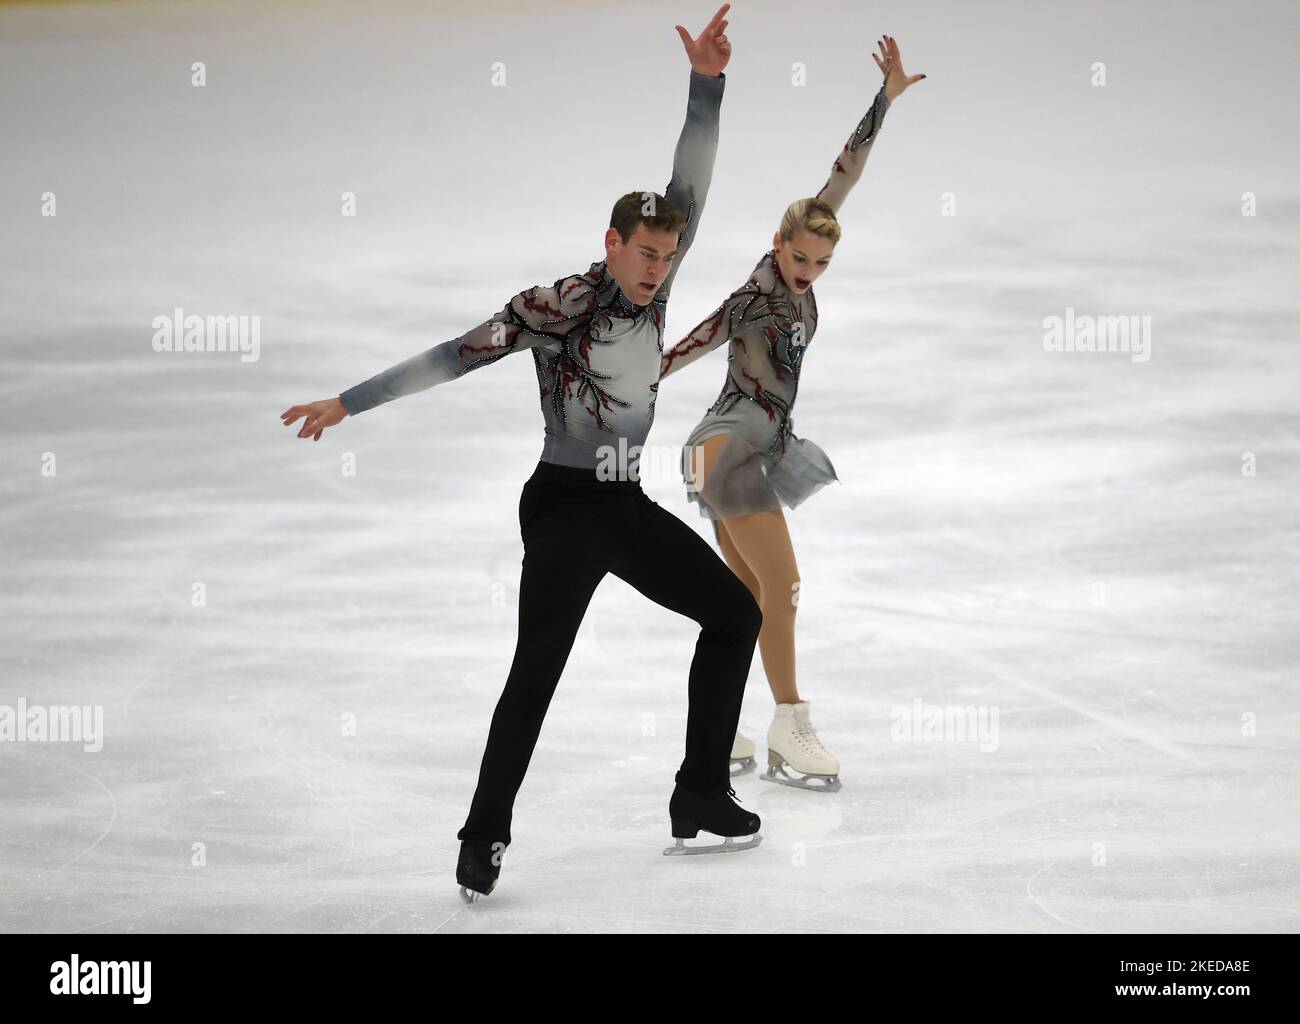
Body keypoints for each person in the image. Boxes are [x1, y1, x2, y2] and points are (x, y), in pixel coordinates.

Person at [282, 5, 764, 902]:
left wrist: (707, 81)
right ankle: (482, 836)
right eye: (644, 253)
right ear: (610, 241)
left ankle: (700, 793)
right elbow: (453, 357)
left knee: (735, 615)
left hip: (624, 501)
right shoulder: (555, 307)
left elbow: (690, 171)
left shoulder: (655, 279)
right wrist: (346, 404)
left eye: (668, 256)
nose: (658, 269)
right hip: (566, 508)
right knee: (536, 673)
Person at [658, 35, 926, 792]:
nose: (807, 269)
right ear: (777, 243)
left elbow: (842, 176)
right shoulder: (758, 291)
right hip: (725, 446)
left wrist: (884, 101)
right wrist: (640, 375)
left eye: (820, 264)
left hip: (753, 446)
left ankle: (720, 728)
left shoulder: (807, 245)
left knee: (743, 602)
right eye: (799, 257)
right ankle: (790, 725)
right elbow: (702, 336)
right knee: (785, 588)